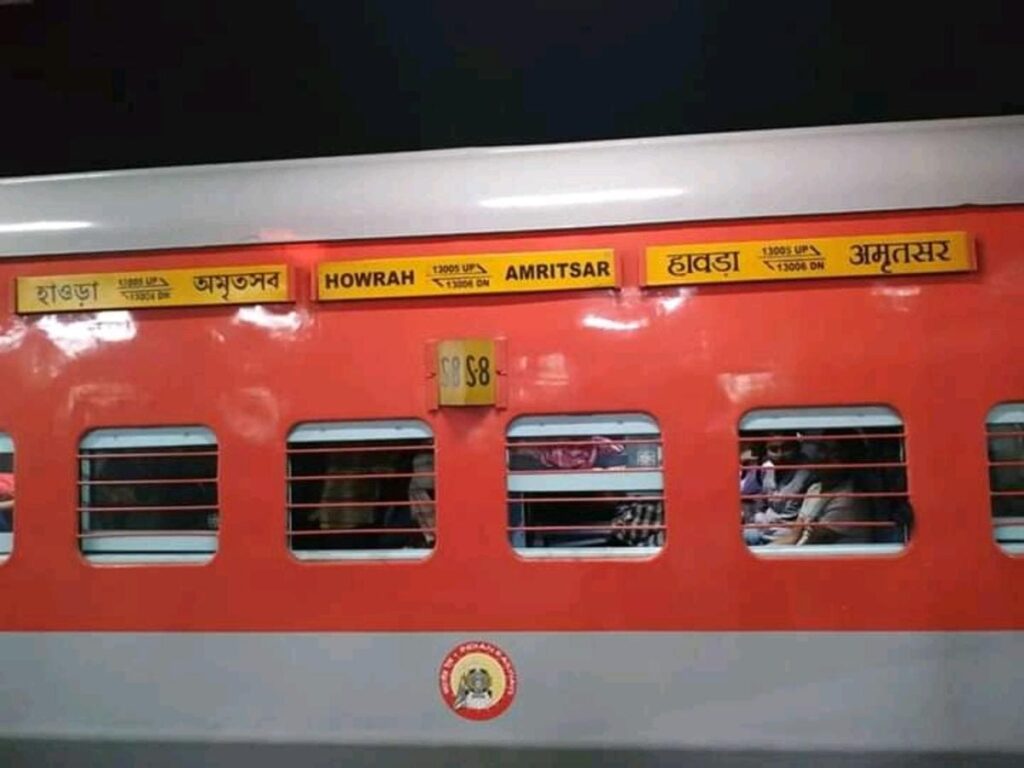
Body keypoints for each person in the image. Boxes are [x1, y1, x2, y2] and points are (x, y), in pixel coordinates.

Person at [769, 439, 872, 546]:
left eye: (834, 454)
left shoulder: (848, 499)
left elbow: (811, 545)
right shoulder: (815, 488)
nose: (822, 457)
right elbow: (794, 536)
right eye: (821, 449)